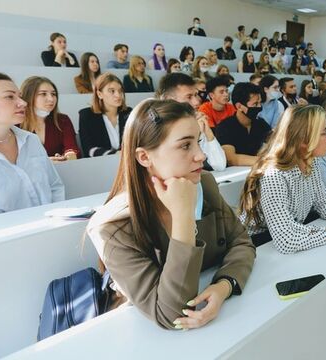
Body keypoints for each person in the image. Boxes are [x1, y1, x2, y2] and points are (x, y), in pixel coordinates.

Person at [86, 99, 255, 330]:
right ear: (144, 157)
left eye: (198, 142)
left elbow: (241, 242)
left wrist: (224, 285)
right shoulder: (111, 227)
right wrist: (183, 215)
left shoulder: (203, 183)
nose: (201, 156)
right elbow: (171, 314)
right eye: (185, 146)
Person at [238, 105, 326, 252]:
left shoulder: (311, 162)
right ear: (304, 140)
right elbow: (286, 240)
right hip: (257, 245)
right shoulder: (273, 175)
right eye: (324, 133)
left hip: (288, 235)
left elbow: (324, 205)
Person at [0, 71, 64, 218]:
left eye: (19, 96)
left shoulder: (31, 140)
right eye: (10, 96)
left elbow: (55, 187)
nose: (23, 103)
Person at [156, 72, 226, 171]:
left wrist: (207, 131)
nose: (196, 102)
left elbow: (220, 165)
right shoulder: (156, 128)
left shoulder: (196, 122)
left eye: (195, 95)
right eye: (189, 97)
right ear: (168, 99)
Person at [20, 76, 80, 160]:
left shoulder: (63, 120)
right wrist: (47, 162)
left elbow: (72, 148)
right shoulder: (16, 123)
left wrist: (68, 157)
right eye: (43, 94)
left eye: (53, 94)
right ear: (29, 96)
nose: (51, 99)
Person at [216, 83, 271, 166]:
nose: (259, 107)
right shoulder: (225, 127)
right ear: (239, 106)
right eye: (255, 104)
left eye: (260, 103)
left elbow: (275, 141)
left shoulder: (261, 123)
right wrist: (265, 160)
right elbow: (231, 159)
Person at [79, 73, 132, 157]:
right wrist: (115, 154)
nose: (118, 95)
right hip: (100, 165)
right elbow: (89, 150)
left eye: (120, 90)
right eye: (112, 91)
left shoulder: (129, 113)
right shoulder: (86, 116)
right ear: (100, 94)